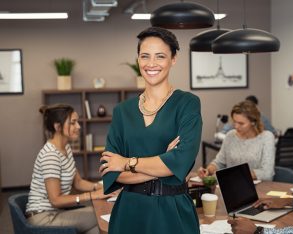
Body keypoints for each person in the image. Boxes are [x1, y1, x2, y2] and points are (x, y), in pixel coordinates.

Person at [99, 27, 202, 234]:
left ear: (173, 59)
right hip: (129, 212)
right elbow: (111, 171)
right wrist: (164, 160)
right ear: (138, 60)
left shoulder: (187, 104)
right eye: (145, 56)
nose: (151, 64)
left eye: (160, 56)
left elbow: (180, 162)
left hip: (172, 212)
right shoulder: (122, 111)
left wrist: (128, 163)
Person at [26, 104, 112, 234]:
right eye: (73, 123)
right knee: (101, 215)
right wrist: (91, 195)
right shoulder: (51, 155)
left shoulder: (65, 148)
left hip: (56, 212)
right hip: (44, 217)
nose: (78, 126)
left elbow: (78, 182)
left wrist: (101, 187)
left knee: (98, 226)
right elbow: (55, 200)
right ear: (57, 127)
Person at [198, 100, 275, 181]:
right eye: (234, 122)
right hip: (232, 186)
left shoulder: (266, 137)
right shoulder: (230, 136)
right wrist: (208, 170)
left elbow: (267, 173)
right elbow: (219, 162)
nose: (236, 126)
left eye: (241, 123)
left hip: (260, 188)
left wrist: (235, 174)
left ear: (253, 122)